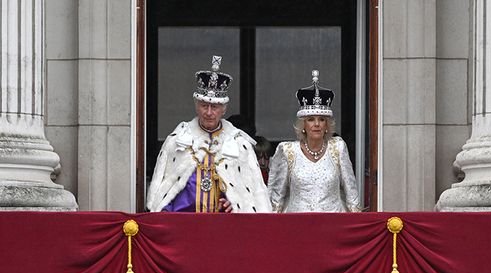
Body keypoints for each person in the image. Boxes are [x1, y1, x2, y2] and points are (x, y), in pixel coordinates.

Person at [146, 56, 271, 213]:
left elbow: (251, 199)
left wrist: (234, 203)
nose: (209, 112)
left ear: (224, 109)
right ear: (197, 106)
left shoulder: (239, 145)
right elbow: (162, 196)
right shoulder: (178, 141)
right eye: (204, 106)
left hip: (223, 229)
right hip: (183, 226)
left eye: (215, 107)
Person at [267, 70, 361, 213]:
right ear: (303, 125)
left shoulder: (338, 148)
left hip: (334, 226)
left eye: (322, 119)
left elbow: (352, 195)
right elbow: (276, 199)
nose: (316, 124)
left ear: (327, 125)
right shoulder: (288, 151)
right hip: (297, 227)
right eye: (311, 119)